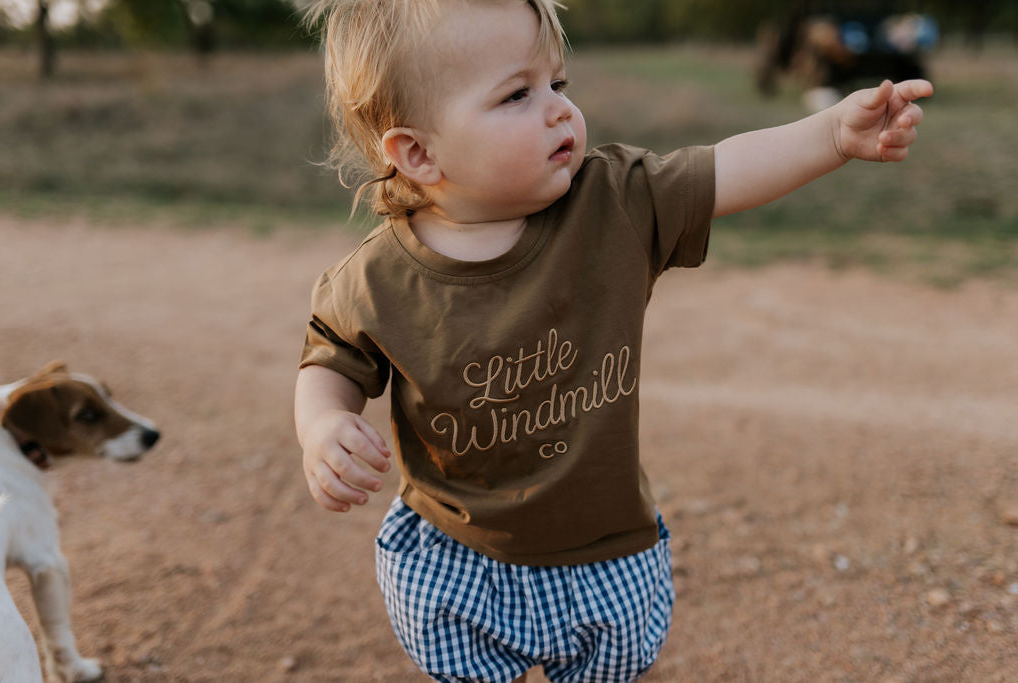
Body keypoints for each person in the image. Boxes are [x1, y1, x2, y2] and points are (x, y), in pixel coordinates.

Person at [294, 1, 932, 681]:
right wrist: (323, 422)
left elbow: (725, 169)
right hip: (454, 560)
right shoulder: (378, 276)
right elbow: (330, 354)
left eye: (557, 85)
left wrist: (832, 133)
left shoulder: (613, 203)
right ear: (417, 152)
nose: (559, 111)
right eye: (517, 94)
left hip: (606, 552)